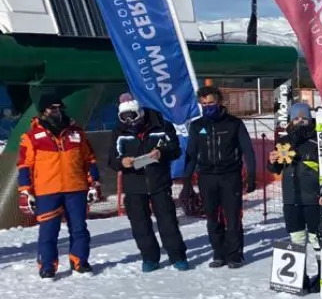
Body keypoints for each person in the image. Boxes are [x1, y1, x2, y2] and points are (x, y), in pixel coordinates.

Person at [17, 93, 103, 278]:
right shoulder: (31, 137)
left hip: (76, 188)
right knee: (48, 231)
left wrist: (94, 183)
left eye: (59, 108)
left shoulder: (76, 133)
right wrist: (25, 191)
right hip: (47, 191)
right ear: (43, 111)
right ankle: (47, 266)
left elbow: (89, 159)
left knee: (79, 228)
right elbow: (24, 165)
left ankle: (80, 261)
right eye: (52, 108)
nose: (57, 111)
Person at [107, 93, 189, 272]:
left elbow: (175, 149)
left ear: (140, 113)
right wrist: (122, 162)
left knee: (168, 221)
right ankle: (150, 257)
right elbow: (112, 159)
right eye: (124, 117)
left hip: (159, 182)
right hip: (134, 185)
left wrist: (161, 153)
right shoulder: (119, 132)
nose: (130, 121)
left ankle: (177, 256)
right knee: (140, 224)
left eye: (132, 116)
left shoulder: (161, 126)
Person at [267, 103, 322, 291]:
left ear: (310, 119)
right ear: (290, 121)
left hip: (314, 198)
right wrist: (272, 162)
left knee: (317, 238)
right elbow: (276, 168)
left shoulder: (320, 140)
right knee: (297, 238)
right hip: (291, 198)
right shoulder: (284, 141)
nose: (300, 121)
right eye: (296, 118)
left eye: (304, 118)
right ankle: (298, 278)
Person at [182, 86, 256, 268]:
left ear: (220, 101)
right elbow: (191, 154)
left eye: (211, 103)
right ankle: (218, 253)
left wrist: (251, 175)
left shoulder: (234, 124)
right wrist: (186, 182)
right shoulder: (197, 126)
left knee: (232, 218)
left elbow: (248, 150)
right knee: (212, 218)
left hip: (230, 177)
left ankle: (235, 255)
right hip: (207, 178)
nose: (208, 107)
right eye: (204, 104)